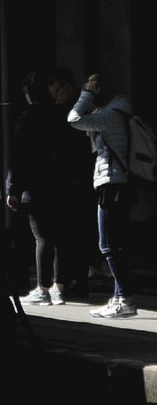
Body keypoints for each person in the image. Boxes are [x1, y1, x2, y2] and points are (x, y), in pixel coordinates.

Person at [6, 68, 85, 306]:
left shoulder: (29, 117)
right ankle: (59, 288)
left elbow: (19, 156)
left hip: (37, 185)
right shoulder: (64, 112)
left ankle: (42, 288)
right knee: (63, 236)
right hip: (64, 183)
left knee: (43, 237)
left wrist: (13, 189)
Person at [67, 72, 138, 319]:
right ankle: (120, 298)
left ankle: (125, 298)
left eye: (93, 89)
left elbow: (74, 118)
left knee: (106, 244)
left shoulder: (110, 116)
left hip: (112, 183)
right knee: (116, 244)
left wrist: (86, 94)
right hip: (119, 183)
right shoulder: (118, 112)